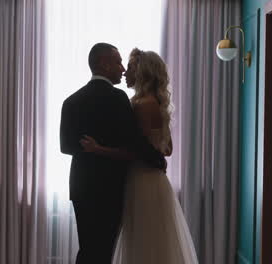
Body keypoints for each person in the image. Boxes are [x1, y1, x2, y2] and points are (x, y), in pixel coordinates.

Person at [80, 48, 199, 264]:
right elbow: (167, 149)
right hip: (155, 180)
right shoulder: (156, 103)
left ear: (143, 73)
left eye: (131, 67)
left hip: (142, 180)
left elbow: (135, 150)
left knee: (142, 242)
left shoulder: (141, 105)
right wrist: (157, 156)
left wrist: (99, 149)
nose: (125, 72)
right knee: (155, 241)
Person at [59, 43, 166, 264]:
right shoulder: (118, 98)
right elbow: (134, 142)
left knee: (88, 248)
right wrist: (157, 160)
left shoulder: (70, 101)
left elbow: (66, 147)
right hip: (110, 187)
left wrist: (91, 149)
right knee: (105, 250)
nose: (122, 69)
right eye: (118, 62)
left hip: (81, 186)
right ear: (104, 64)